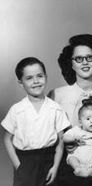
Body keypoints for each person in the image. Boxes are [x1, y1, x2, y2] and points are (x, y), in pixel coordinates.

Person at [48, 34, 92, 186]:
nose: (85, 62)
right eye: (78, 59)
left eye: (89, 58)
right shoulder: (57, 94)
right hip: (68, 164)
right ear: (70, 64)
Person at [1, 57, 70, 186]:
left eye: (39, 76)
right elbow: (6, 139)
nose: (36, 81)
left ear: (46, 77)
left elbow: (61, 141)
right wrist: (18, 165)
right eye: (29, 78)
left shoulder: (56, 108)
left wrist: (55, 167)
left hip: (49, 160)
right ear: (21, 83)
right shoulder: (17, 109)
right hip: (25, 162)